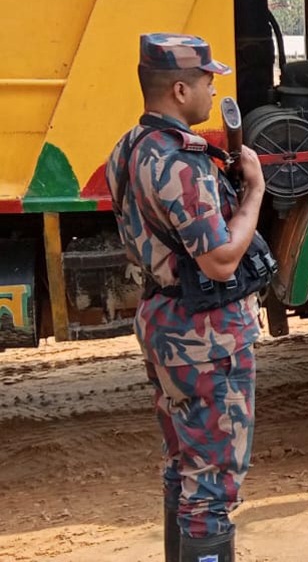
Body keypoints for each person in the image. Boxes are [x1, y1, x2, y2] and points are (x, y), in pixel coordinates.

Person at [105, 34, 268, 562]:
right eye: (206, 80)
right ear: (179, 89)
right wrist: (255, 194)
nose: (212, 88)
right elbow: (219, 260)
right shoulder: (181, 161)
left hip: (164, 320)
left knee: (183, 465)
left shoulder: (127, 148)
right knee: (214, 484)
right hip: (205, 335)